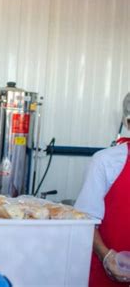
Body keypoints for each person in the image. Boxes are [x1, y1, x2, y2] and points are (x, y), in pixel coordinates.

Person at [75, 92, 130, 286]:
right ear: (128, 123)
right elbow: (85, 221)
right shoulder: (106, 161)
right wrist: (106, 257)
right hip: (111, 276)